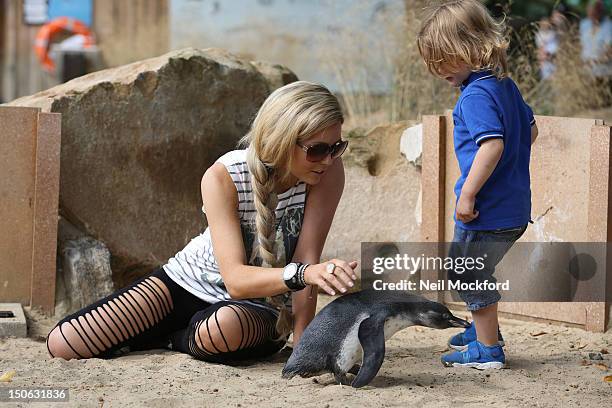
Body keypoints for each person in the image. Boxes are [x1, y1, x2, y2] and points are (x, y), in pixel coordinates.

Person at [45, 81, 359, 364]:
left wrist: (303, 346)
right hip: (184, 283)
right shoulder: (223, 177)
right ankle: (168, 330)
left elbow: (307, 257)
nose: (329, 159)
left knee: (223, 327)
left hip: (256, 308)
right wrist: (306, 274)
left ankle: (172, 339)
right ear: (281, 139)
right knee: (64, 342)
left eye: (337, 147)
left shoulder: (327, 175)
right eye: (317, 150)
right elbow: (236, 278)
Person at [417, 0, 538, 369]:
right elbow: (530, 131)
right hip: (514, 207)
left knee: (467, 270)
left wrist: (469, 192)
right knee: (474, 269)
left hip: (486, 210)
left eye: (443, 59)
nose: (438, 70)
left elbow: (492, 144)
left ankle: (488, 350)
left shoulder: (474, 97)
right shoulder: (505, 86)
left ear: (470, 49)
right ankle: (484, 329)